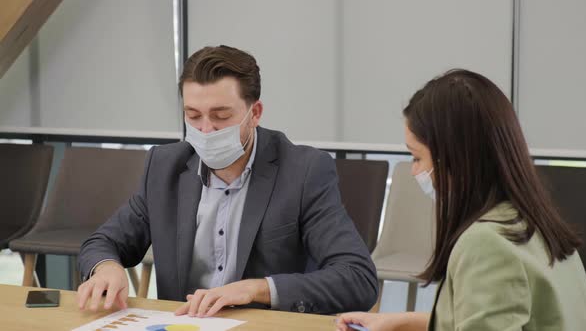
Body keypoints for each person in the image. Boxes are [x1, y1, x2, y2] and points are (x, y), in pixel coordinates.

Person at [77, 45, 378, 317]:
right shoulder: (165, 166)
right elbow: (103, 242)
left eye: (220, 116)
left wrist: (257, 289)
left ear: (255, 113)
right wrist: (107, 267)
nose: (206, 130)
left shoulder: (303, 171)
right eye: (193, 116)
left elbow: (357, 279)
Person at [337, 69, 586, 330]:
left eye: (416, 158)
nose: (414, 172)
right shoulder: (536, 224)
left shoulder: (487, 244)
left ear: (456, 161)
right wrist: (399, 322)